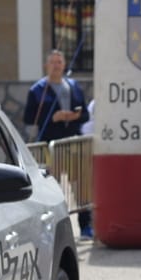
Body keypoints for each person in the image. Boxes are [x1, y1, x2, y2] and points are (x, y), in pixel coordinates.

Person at [23, 50, 91, 237]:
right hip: (49, 145)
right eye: (52, 62)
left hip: (72, 143)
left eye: (59, 62)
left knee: (80, 187)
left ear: (64, 64)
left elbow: (85, 114)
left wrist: (75, 116)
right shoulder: (37, 90)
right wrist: (52, 117)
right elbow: (29, 117)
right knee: (51, 188)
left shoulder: (74, 86)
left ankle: (85, 226)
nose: (56, 65)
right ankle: (52, 228)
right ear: (46, 66)